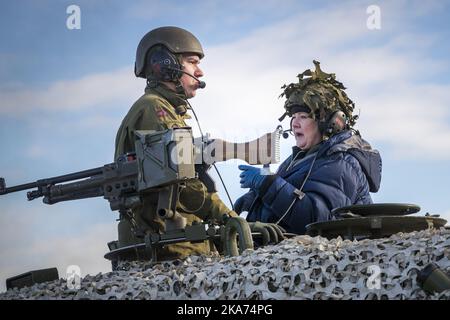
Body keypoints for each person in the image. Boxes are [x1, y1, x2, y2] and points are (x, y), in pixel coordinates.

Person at [114, 26, 238, 260]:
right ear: (165, 65)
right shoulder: (154, 109)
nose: (199, 72)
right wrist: (230, 218)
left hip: (177, 244)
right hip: (170, 250)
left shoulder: (165, 109)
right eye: (192, 62)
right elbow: (184, 184)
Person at [234, 60, 382, 235]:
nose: (295, 123)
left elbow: (317, 220)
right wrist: (257, 198)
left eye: (303, 116)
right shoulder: (299, 160)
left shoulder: (342, 163)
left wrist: (268, 185)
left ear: (330, 124)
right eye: (294, 116)